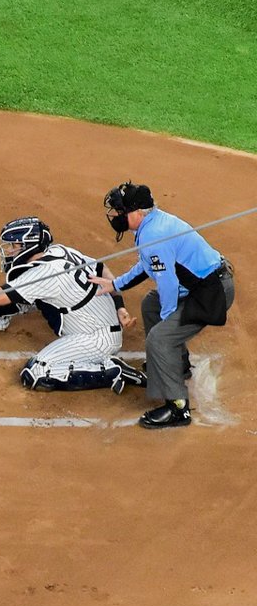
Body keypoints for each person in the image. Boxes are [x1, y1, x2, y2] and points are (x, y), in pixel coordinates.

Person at [0, 217, 147, 394]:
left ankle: (111, 371)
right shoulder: (59, 250)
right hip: (98, 315)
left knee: (37, 373)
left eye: (14, 246)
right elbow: (102, 269)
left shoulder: (43, 274)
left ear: (29, 246)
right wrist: (120, 306)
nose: (9, 250)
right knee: (25, 294)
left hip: (96, 338)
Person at [90, 182, 235, 428]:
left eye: (121, 210)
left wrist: (168, 321)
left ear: (137, 212)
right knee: (151, 304)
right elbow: (147, 266)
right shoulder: (151, 225)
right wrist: (115, 284)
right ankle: (177, 365)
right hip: (201, 284)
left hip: (212, 291)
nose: (116, 215)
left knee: (159, 339)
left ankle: (177, 408)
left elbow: (168, 283)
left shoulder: (154, 234)